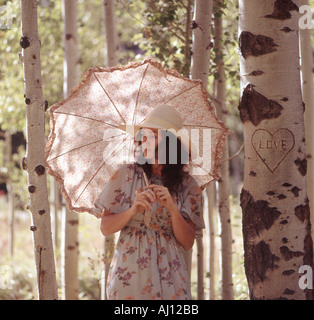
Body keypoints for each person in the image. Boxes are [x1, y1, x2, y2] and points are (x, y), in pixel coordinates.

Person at [94, 104, 204, 300]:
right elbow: (105, 227)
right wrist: (132, 210)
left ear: (170, 142)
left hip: (171, 274)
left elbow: (188, 242)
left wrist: (172, 208)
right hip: (130, 271)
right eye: (143, 135)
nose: (144, 140)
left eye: (153, 134)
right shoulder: (125, 174)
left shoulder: (188, 185)